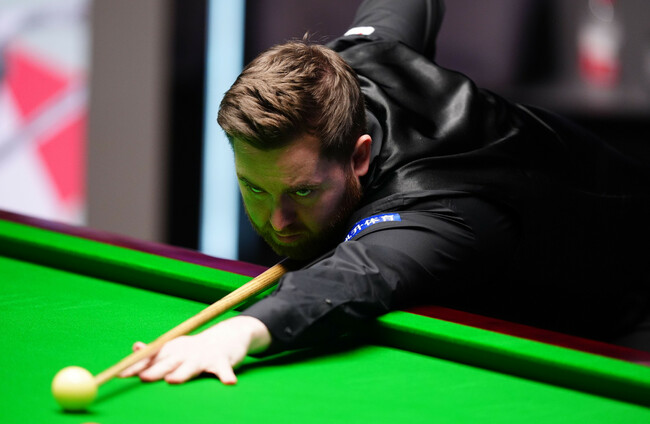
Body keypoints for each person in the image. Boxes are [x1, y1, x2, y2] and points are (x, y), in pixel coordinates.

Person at [121, 0, 650, 384]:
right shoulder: (353, 65)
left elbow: (359, 275)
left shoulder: (440, 208)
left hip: (629, 297)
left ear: (359, 156)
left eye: (301, 193)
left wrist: (237, 333)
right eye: (254, 188)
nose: (277, 220)